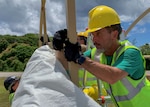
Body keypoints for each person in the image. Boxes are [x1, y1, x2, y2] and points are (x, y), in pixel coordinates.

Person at [53, 5, 150, 107]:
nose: (94, 40)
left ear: (114, 34)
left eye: (98, 34)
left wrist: (80, 58)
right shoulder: (97, 53)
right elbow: (66, 63)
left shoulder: (130, 53)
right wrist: (59, 47)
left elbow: (112, 76)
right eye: (92, 35)